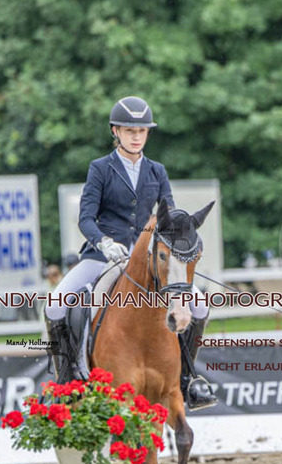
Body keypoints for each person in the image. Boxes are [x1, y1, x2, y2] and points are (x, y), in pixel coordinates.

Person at [45, 96, 217, 410]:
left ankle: (186, 379)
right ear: (116, 131)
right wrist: (104, 242)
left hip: (148, 259)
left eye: (142, 131)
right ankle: (67, 379)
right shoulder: (100, 168)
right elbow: (85, 218)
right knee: (56, 304)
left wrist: (181, 241)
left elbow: (168, 217)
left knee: (200, 306)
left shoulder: (157, 171)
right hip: (103, 257)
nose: (136, 137)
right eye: (129, 130)